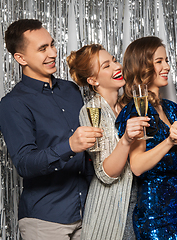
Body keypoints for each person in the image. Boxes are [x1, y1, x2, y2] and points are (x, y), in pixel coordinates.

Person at [0, 19, 102, 239]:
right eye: (42, 49)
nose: (53, 53)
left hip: (88, 214)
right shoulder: (13, 103)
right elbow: (25, 163)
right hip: (45, 220)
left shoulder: (71, 90)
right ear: (20, 58)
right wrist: (70, 146)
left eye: (52, 45)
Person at [67, 44, 149, 240]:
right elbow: (105, 174)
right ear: (93, 80)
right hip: (110, 210)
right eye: (106, 66)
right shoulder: (91, 111)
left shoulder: (129, 106)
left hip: (140, 202)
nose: (116, 67)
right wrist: (127, 139)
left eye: (114, 60)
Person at [116, 36, 177, 239]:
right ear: (143, 66)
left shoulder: (171, 108)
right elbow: (137, 166)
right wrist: (170, 141)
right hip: (154, 212)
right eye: (159, 62)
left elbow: (175, 154)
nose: (167, 67)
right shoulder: (136, 111)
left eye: (166, 60)